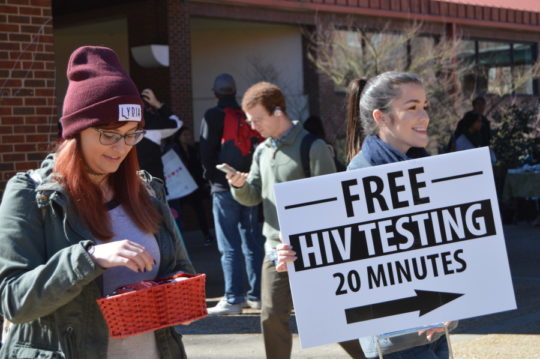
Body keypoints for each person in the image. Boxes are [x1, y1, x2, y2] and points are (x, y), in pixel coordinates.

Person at [0, 46, 195, 359]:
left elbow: (179, 270)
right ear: (75, 132)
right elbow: (13, 300)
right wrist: (89, 258)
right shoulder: (30, 194)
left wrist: (179, 296)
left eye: (132, 134)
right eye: (109, 134)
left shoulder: (147, 191)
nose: (121, 148)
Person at [276, 72, 457, 359]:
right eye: (412, 107)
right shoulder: (360, 176)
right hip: (394, 339)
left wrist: (454, 306)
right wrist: (291, 255)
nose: (424, 116)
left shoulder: (424, 169)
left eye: (425, 106)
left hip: (433, 329)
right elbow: (331, 252)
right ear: (381, 117)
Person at [226, 82, 362, 359]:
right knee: (271, 315)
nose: (253, 126)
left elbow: (330, 201)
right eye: (250, 121)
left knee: (327, 318)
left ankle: (368, 356)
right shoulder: (262, 151)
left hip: (311, 250)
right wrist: (238, 185)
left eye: (258, 119)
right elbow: (252, 196)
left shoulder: (312, 146)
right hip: (274, 248)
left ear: (277, 111)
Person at [199, 73, 264, 315]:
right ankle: (257, 296)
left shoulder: (212, 115)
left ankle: (233, 298)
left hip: (224, 188)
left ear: (216, 93)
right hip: (249, 186)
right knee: (253, 242)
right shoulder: (244, 116)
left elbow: (206, 152)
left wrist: (212, 180)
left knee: (229, 245)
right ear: (235, 92)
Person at [165, 126, 214, 246]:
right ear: (179, 137)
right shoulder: (173, 150)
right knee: (178, 212)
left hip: (193, 186)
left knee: (200, 211)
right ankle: (178, 241)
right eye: (185, 135)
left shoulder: (193, 150)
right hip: (179, 186)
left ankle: (207, 235)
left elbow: (198, 167)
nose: (188, 137)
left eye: (189, 135)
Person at [136, 87, 183, 183]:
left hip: (125, 185)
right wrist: (157, 104)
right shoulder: (152, 123)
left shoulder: (114, 122)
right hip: (152, 183)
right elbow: (177, 123)